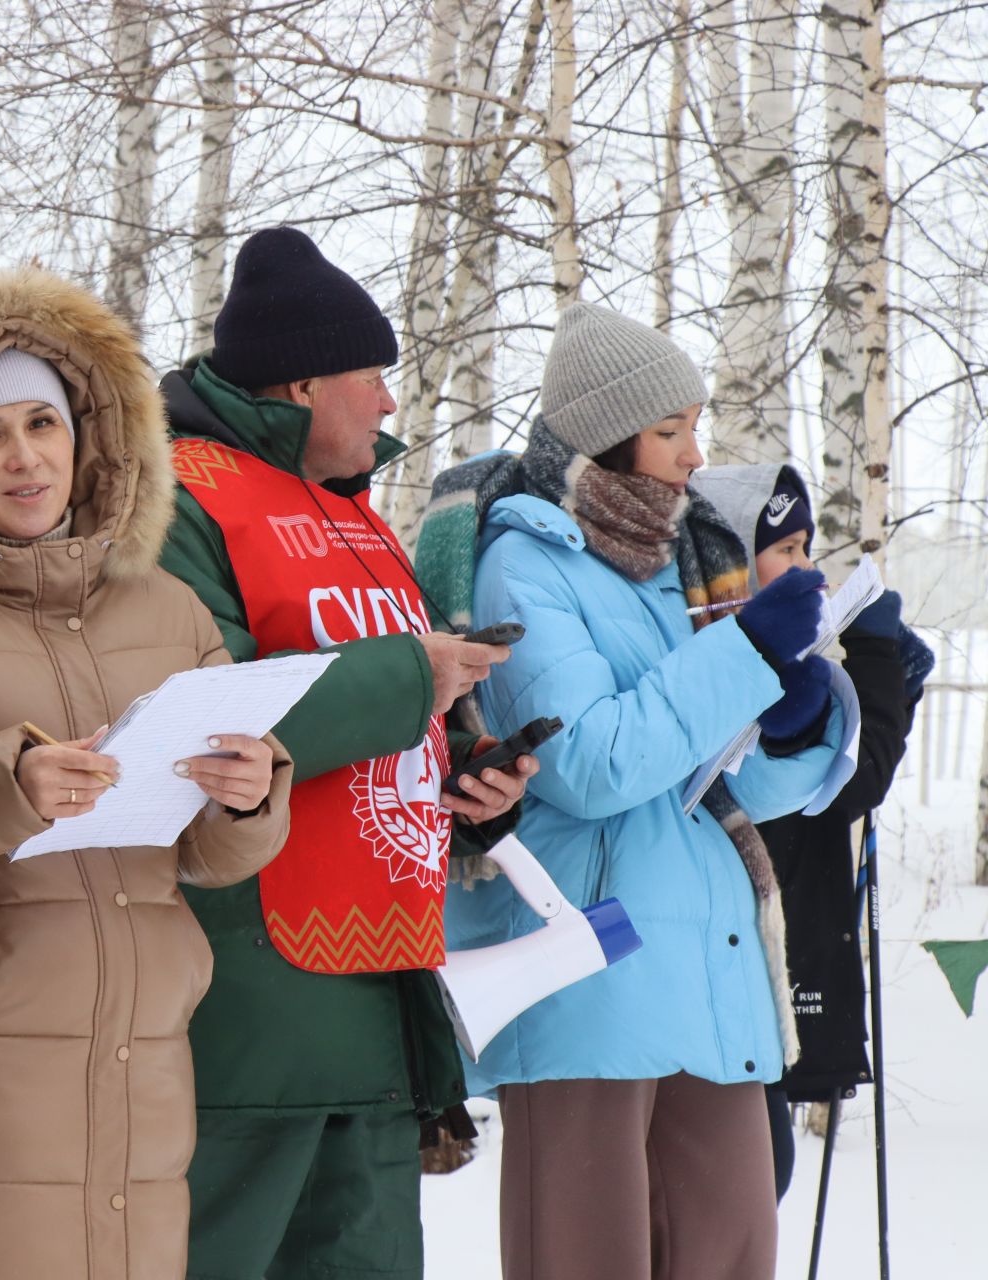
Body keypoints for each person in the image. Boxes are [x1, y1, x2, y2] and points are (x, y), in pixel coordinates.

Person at [0, 266, 295, 1280]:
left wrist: (249, 790)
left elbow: (217, 857)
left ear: (87, 437)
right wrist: (5, 788)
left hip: (145, 1057)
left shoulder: (167, 607)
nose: (25, 460)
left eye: (43, 425)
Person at [419, 302, 853, 1280]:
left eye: (696, 426)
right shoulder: (524, 561)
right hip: (589, 975)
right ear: (608, 432)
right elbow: (594, 761)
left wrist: (799, 713)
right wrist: (743, 655)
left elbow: (718, 783)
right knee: (586, 1256)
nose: (696, 455)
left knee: (731, 1248)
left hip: (710, 965)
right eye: (672, 430)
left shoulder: (680, 561)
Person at [155, 225, 534, 1280]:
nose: (386, 403)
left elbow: (402, 718)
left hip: (378, 1000)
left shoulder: (358, 514)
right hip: (247, 1013)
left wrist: (471, 777)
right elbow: (205, 712)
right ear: (302, 381)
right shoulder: (182, 496)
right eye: (372, 376)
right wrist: (414, 678)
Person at [692, 463, 934, 1199]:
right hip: (739, 982)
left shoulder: (791, 659)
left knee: (760, 1188)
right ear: (733, 557)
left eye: (807, 548)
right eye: (787, 550)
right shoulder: (728, 666)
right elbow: (853, 783)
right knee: (743, 1187)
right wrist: (879, 663)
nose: (809, 572)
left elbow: (854, 772)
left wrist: (892, 679)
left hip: (779, 966)